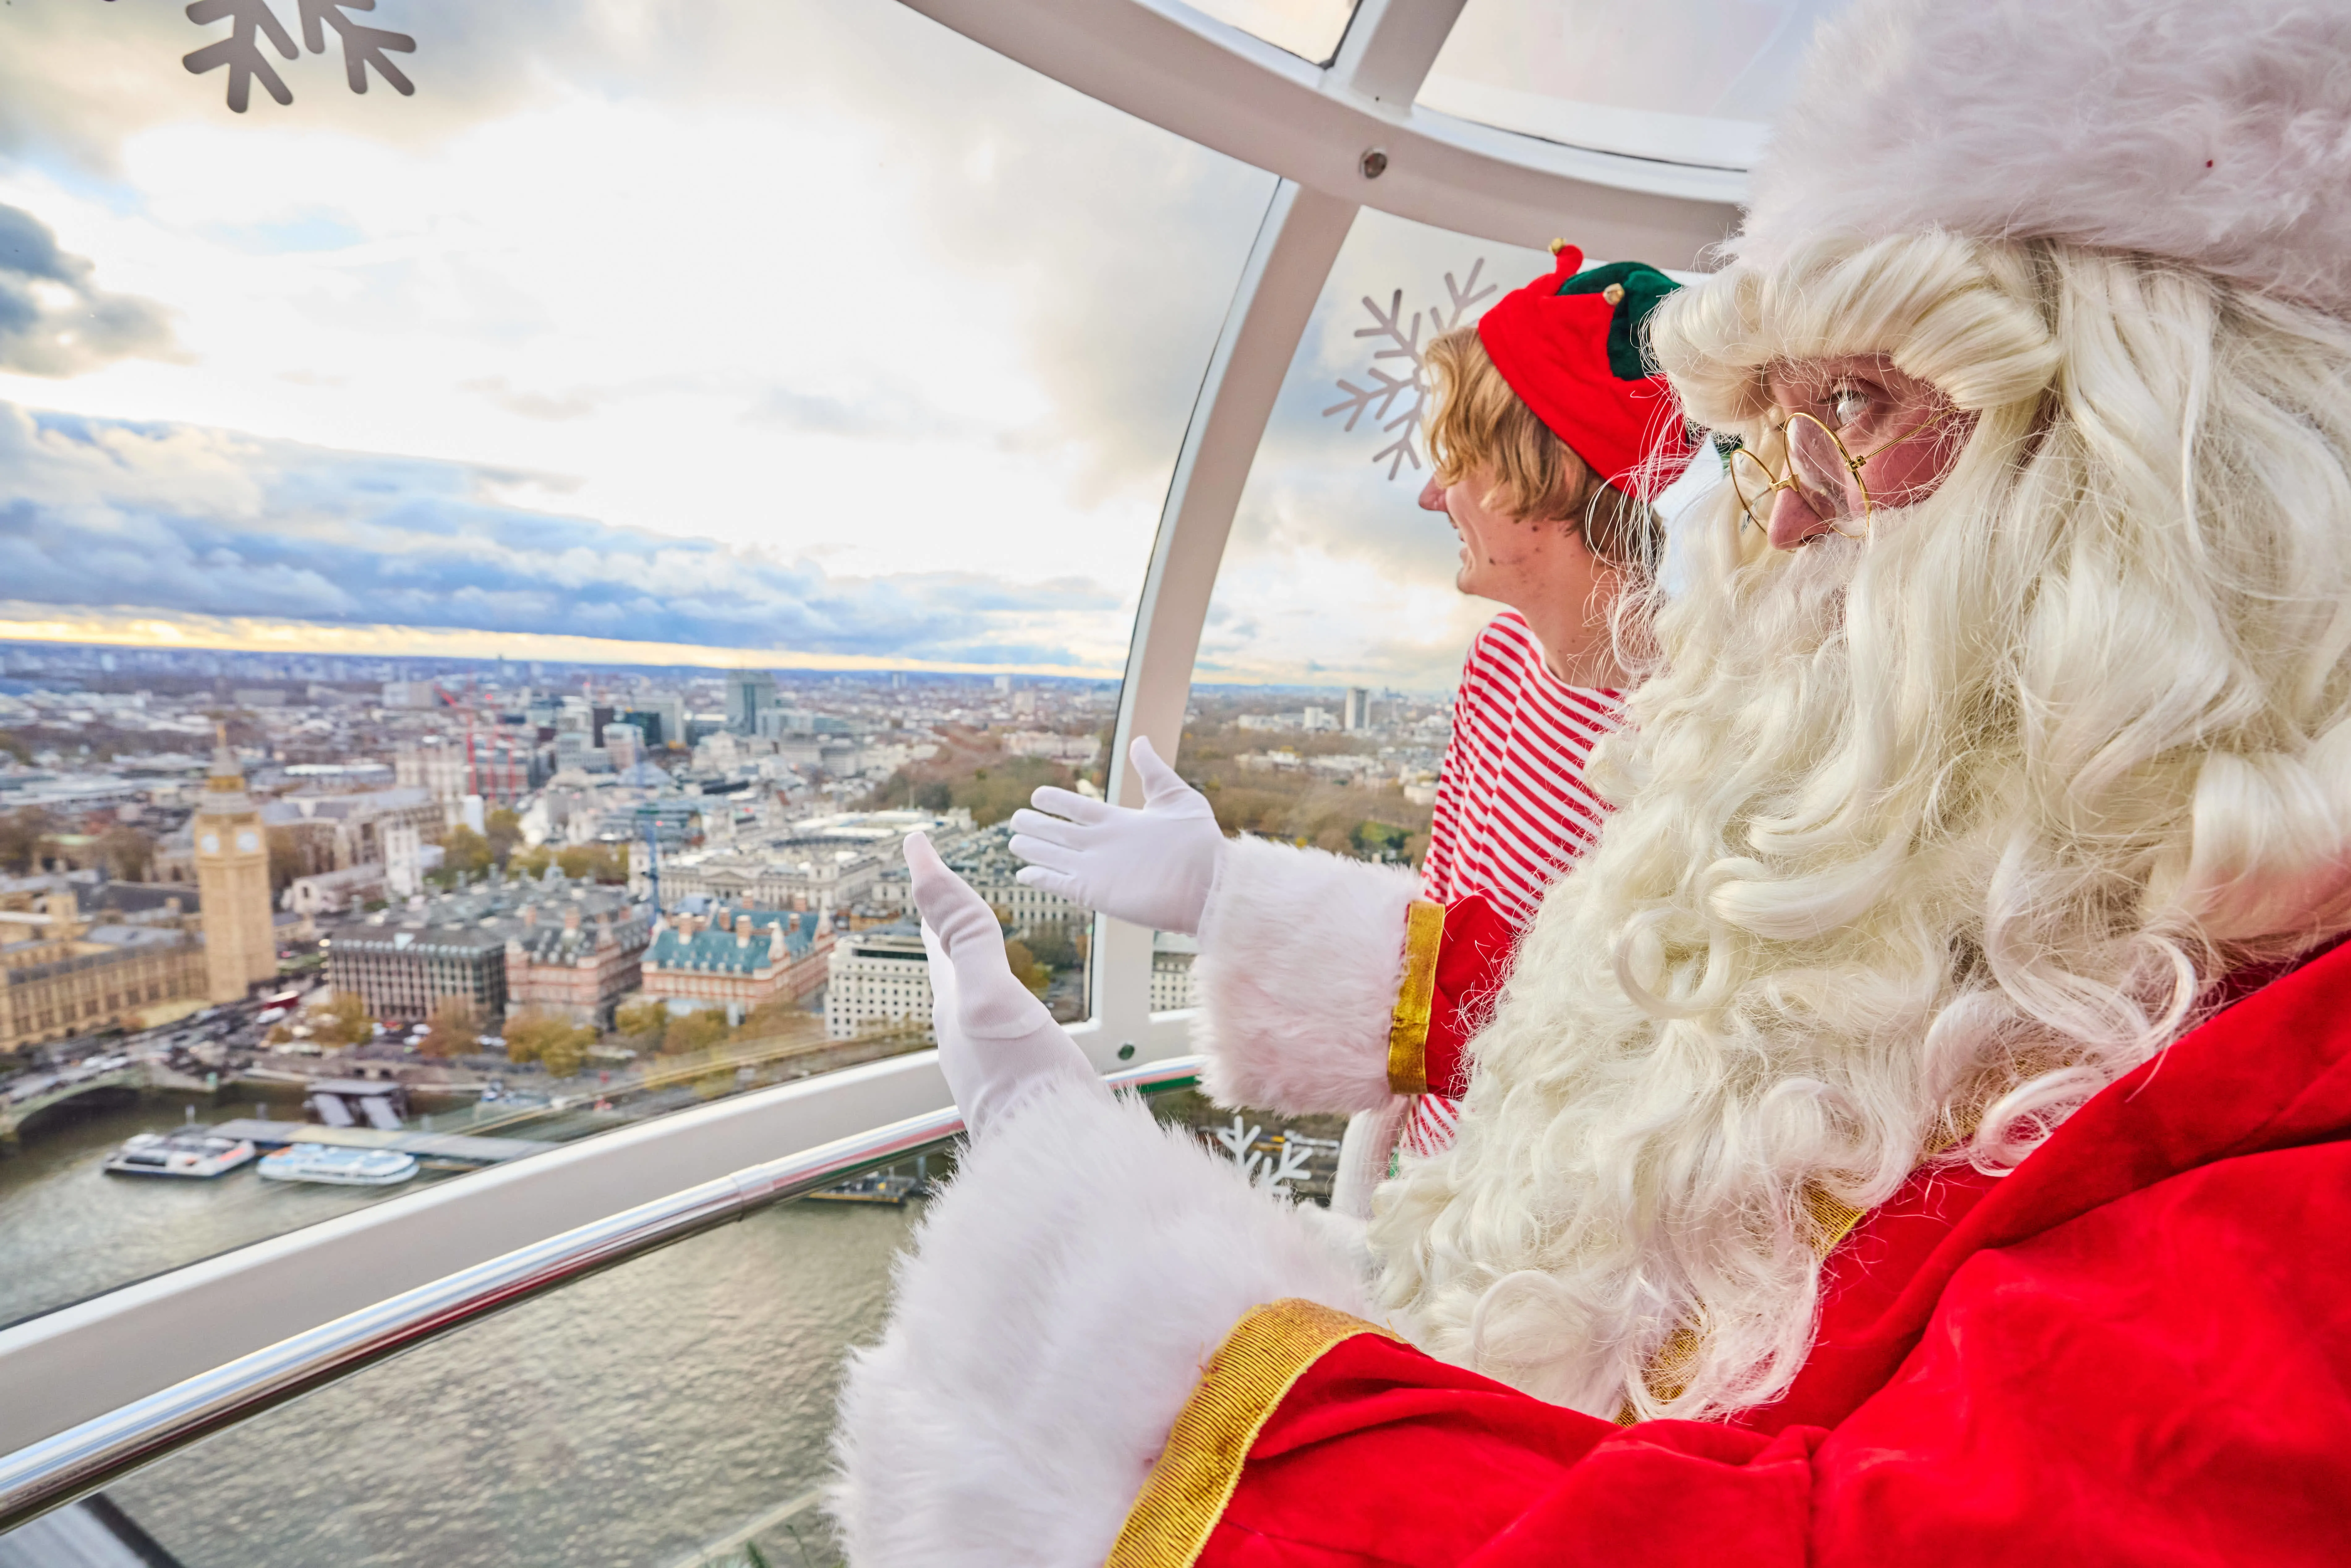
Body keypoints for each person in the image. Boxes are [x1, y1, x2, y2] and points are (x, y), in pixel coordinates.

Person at [831, 0, 2351, 1562]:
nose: (1781, 524)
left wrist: (1103, 1316)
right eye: (1777, 435)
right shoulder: (1889, 770)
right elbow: (1673, 1013)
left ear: (2178, 462)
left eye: (1855, 406)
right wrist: (1237, 908)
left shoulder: (2281, 1123)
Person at [1005, 245, 1697, 1207]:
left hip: (1557, 1214)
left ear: (1536, 485)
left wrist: (1232, 896)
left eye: (1457, 461)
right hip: (1429, 1180)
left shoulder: (1700, 729)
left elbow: (1608, 1032)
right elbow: (1442, 914)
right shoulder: (1497, 662)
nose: (1429, 494)